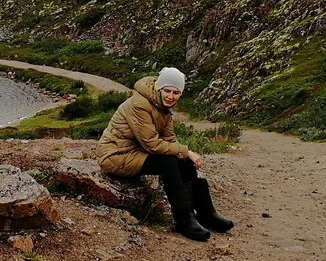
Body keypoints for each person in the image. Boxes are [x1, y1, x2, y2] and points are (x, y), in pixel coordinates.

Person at [96, 67, 233, 241]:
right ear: (158, 88)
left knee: (181, 161)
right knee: (168, 162)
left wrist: (185, 156)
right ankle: (184, 221)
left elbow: (169, 139)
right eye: (167, 90)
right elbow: (152, 144)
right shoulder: (140, 104)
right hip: (116, 155)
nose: (170, 96)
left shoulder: (163, 107)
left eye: (176, 92)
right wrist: (187, 151)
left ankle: (206, 214)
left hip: (137, 151)